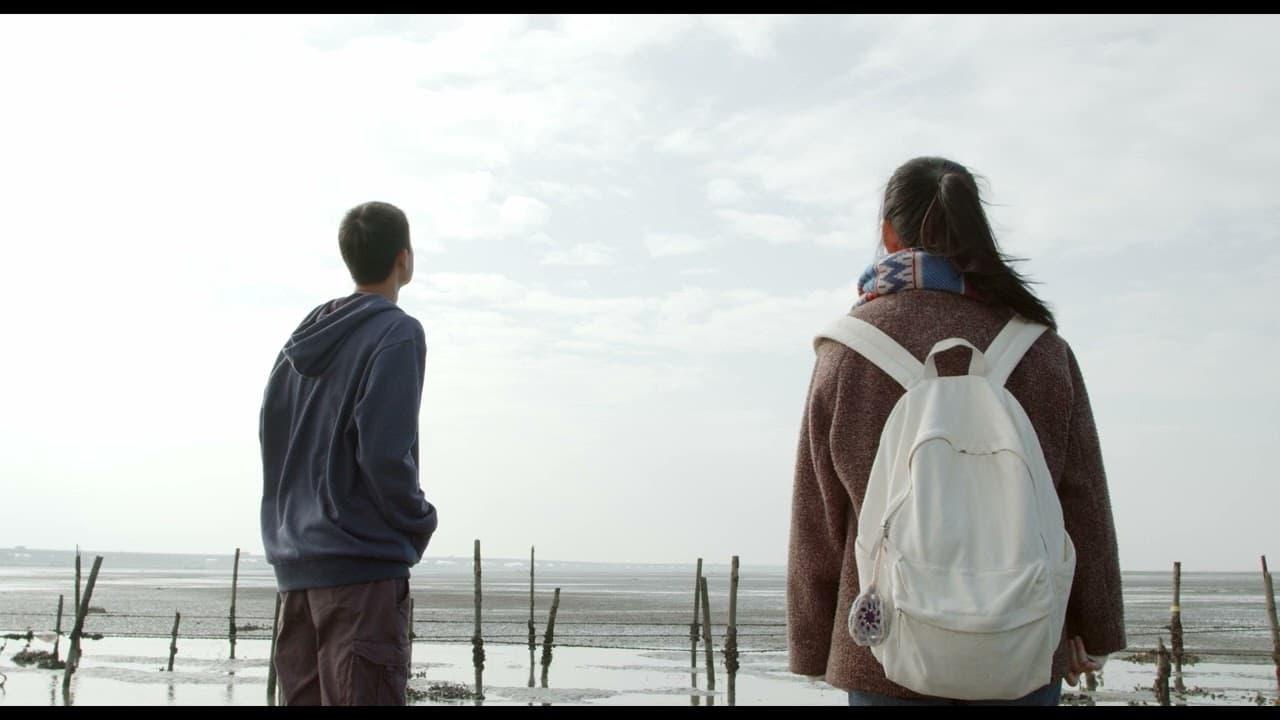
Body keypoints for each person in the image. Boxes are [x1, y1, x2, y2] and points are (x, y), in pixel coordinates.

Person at [787, 157, 1125, 706]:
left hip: (882, 651)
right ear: (976, 232)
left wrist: (812, 643)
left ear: (887, 234)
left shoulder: (847, 351)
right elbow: (1081, 496)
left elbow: (819, 514)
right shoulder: (1041, 350)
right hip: (1023, 640)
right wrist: (1095, 625)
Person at [259, 201, 438, 706]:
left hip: (296, 565)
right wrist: (417, 520)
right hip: (361, 567)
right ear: (403, 259)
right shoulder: (396, 331)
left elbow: (271, 434)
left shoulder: (305, 336)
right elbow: (384, 452)